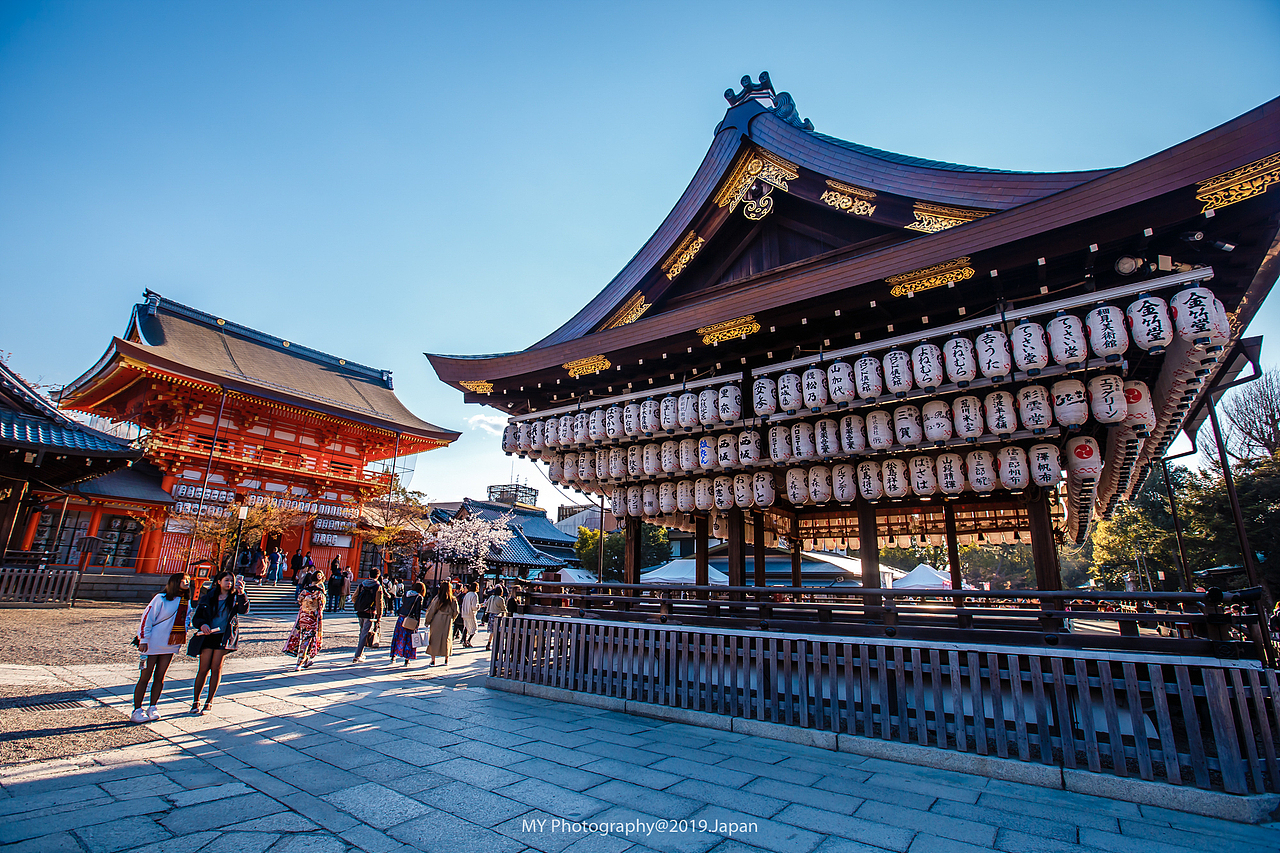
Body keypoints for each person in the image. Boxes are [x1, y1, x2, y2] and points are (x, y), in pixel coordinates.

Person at [189, 571, 250, 715]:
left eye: (231, 581)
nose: (229, 583)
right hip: (208, 634)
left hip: (224, 636)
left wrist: (242, 593)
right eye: (226, 580)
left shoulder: (234, 597)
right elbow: (196, 618)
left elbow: (244, 610)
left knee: (216, 667)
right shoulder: (208, 597)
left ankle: (209, 701)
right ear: (219, 581)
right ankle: (196, 701)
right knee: (203, 668)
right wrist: (202, 624)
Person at [132, 573, 190, 722]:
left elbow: (186, 620)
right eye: (185, 580)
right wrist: (143, 638)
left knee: (160, 676)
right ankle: (137, 709)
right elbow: (147, 617)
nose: (187, 582)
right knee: (145, 676)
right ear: (176, 582)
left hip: (169, 643)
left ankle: (153, 706)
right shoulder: (160, 598)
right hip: (153, 641)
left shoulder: (186, 602)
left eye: (188, 580)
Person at [284, 570, 326, 670]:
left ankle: (306, 659)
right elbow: (322, 605)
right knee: (307, 639)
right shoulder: (319, 592)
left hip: (303, 616)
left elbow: (299, 600)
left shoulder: (305, 591)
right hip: (312, 617)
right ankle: (299, 662)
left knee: (304, 637)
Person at [423, 582, 460, 667]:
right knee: (446, 638)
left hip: (437, 619)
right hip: (448, 619)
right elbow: (456, 611)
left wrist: (427, 621)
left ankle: (433, 660)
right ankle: (446, 659)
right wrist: (452, 618)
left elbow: (431, 610)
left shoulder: (438, 598)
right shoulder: (453, 599)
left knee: (434, 639)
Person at [351, 568, 384, 663]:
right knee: (364, 634)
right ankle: (357, 655)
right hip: (369, 612)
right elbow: (379, 601)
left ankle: (360, 653)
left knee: (362, 632)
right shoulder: (377, 586)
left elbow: (354, 597)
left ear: (369, 575)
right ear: (378, 576)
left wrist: (360, 604)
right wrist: (379, 614)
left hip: (360, 611)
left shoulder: (362, 584)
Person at [391, 582, 426, 666]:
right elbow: (417, 611)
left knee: (398, 636)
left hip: (401, 617)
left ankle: (393, 655)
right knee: (409, 639)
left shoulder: (406, 594)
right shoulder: (418, 597)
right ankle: (407, 658)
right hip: (410, 619)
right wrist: (417, 623)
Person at [483, 584, 507, 652]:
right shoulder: (500, 599)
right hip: (498, 616)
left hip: (491, 615)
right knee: (498, 631)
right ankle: (497, 644)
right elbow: (503, 608)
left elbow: (486, 604)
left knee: (492, 632)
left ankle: (489, 643)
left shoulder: (491, 597)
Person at [459, 582, 480, 648]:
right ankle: (468, 640)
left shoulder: (467, 594)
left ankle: (464, 641)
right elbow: (474, 607)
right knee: (474, 628)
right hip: (470, 614)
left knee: (466, 627)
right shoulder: (474, 595)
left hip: (464, 613)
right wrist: (478, 606)